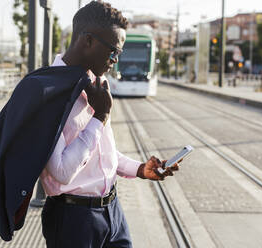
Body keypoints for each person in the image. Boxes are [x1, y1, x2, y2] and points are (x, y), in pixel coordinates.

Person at [39, 1, 181, 248]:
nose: (115, 60)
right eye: (113, 51)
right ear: (88, 41)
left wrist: (139, 169)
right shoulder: (48, 92)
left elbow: (100, 150)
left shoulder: (96, 84)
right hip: (73, 220)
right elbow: (60, 172)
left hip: (112, 211)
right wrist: (99, 116)